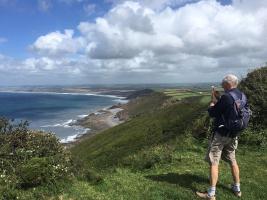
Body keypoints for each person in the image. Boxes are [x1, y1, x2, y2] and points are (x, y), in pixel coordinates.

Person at [196, 74, 245, 200]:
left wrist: (212, 103)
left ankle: (211, 194)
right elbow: (231, 111)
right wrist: (218, 100)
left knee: (214, 162)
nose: (222, 86)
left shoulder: (226, 97)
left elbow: (213, 113)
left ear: (228, 84)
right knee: (233, 160)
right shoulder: (242, 95)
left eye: (223, 84)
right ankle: (237, 188)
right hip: (233, 134)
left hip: (221, 134)